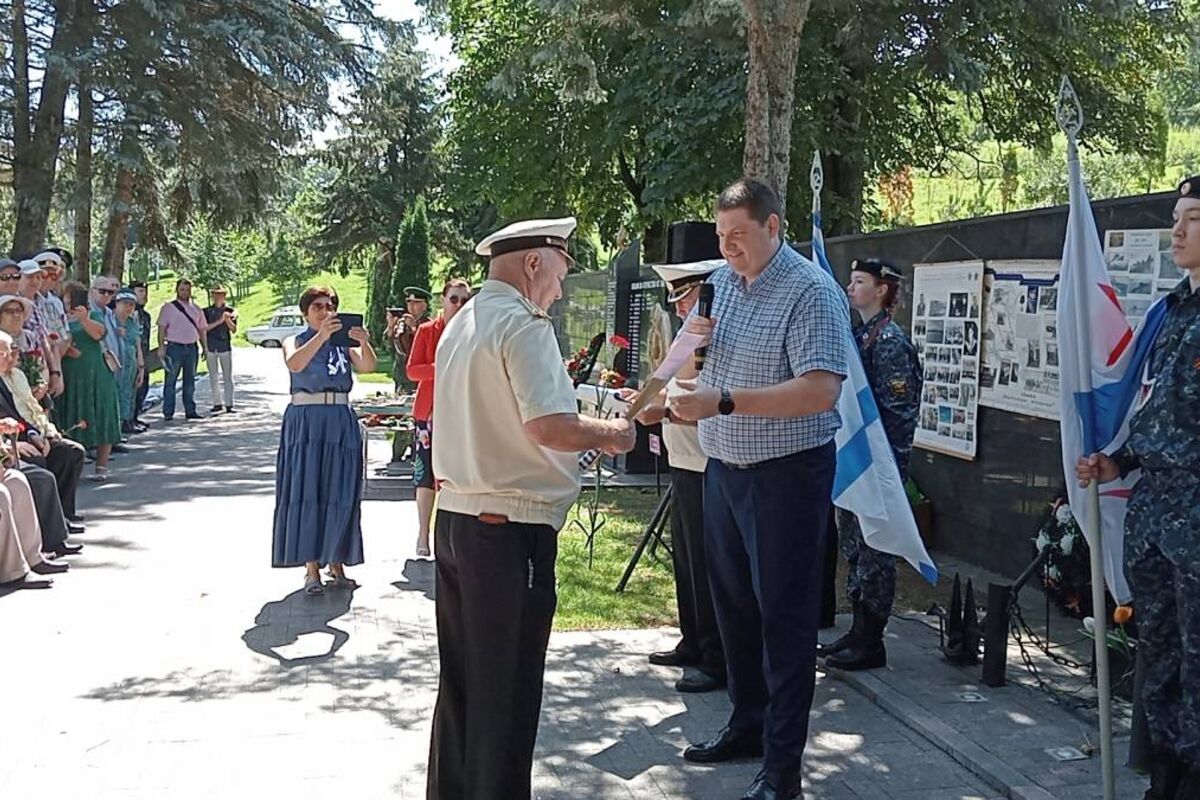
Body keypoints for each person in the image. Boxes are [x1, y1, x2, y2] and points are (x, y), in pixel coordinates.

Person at [427, 217, 636, 800]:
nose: (563, 287)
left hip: (459, 518)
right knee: (506, 695)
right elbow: (549, 425)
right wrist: (611, 434)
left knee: (464, 689)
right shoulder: (523, 324)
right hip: (507, 528)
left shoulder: (460, 321)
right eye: (563, 269)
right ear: (535, 262)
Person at [669, 179, 849, 800]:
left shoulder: (811, 292)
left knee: (785, 622)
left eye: (738, 236)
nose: (728, 248)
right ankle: (746, 724)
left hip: (786, 479)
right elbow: (690, 355)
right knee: (735, 613)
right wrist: (654, 400)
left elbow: (820, 391)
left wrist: (722, 400)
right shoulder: (723, 286)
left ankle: (783, 770)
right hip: (725, 473)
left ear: (774, 227)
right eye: (721, 238)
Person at [1076, 175, 1200, 800]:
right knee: (1163, 654)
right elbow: (1158, 413)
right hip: (1157, 512)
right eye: (1176, 217)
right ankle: (1170, 769)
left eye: (1194, 219)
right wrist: (1118, 463)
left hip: (1196, 516)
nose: (1177, 230)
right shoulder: (1171, 311)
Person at [624, 259, 727, 694]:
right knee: (685, 560)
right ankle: (693, 638)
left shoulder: (715, 341)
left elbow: (705, 402)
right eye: (679, 303)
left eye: (686, 300)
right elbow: (673, 389)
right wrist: (643, 398)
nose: (682, 311)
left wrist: (662, 409)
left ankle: (717, 656)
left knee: (709, 566)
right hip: (683, 460)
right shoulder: (687, 343)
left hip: (709, 462)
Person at [819, 257, 921, 672]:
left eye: (859, 281)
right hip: (854, 462)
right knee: (856, 547)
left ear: (881, 289)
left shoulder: (891, 343)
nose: (849, 286)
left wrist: (887, 471)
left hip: (878, 467)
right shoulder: (859, 337)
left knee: (876, 549)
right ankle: (858, 628)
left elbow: (899, 413)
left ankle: (872, 638)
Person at [272, 286, 376, 595]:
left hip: (339, 418)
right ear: (306, 312)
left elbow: (368, 366)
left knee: (340, 491)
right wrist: (321, 336)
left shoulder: (342, 344)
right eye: (318, 306)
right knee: (308, 490)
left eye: (331, 306)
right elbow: (295, 364)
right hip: (306, 420)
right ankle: (311, 569)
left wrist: (364, 343)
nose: (326, 311)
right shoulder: (296, 340)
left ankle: (337, 562)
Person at [405, 278, 471, 558]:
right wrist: (442, 367)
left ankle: (452, 538)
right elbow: (413, 371)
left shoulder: (473, 331)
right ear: (443, 300)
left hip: (462, 412)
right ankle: (423, 535)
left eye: (464, 300)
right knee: (425, 476)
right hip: (430, 414)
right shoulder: (427, 331)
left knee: (456, 477)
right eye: (454, 299)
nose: (459, 305)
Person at [0, 331, 87, 525]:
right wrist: (11, 443)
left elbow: (27, 411)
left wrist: (38, 434)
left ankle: (63, 515)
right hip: (10, 442)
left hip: (24, 433)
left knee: (71, 452)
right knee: (39, 468)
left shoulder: (16, 376)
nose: (11, 357)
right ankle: (48, 529)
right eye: (4, 353)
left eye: (12, 351)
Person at [55, 282, 123, 482]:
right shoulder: (59, 319)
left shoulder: (93, 315)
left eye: (73, 298)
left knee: (102, 413)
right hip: (71, 374)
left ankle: (101, 465)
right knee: (72, 415)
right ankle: (73, 463)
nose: (69, 303)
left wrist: (83, 318)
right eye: (67, 299)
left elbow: (99, 333)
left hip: (96, 373)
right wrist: (66, 348)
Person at [156, 278, 207, 421]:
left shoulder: (197, 309)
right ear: (177, 290)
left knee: (190, 381)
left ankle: (190, 410)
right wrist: (161, 346)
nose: (185, 292)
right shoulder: (168, 308)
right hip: (174, 347)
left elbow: (202, 330)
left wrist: (205, 348)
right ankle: (168, 412)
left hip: (191, 348)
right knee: (170, 380)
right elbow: (161, 328)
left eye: (188, 289)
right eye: (182, 289)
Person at [388, 286, 430, 395]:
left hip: (418, 377)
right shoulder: (402, 323)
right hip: (401, 376)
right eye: (409, 302)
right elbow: (389, 344)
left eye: (416, 302)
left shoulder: (428, 325)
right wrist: (391, 326)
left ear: (424, 305)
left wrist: (414, 328)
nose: (411, 306)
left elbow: (427, 347)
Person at [113, 289, 145, 433]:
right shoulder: (110, 320)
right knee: (117, 393)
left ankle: (127, 421)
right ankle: (117, 425)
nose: (129, 307)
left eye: (132, 304)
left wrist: (141, 367)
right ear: (117, 303)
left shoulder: (133, 323)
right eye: (125, 303)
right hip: (116, 363)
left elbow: (137, 345)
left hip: (131, 364)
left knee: (130, 393)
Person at [203, 286, 237, 413]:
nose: (218, 297)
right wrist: (219, 321)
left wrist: (227, 319)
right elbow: (204, 328)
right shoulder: (206, 311)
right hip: (211, 346)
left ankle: (229, 404)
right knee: (213, 376)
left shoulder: (230, 311)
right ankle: (217, 403)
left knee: (227, 376)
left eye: (221, 294)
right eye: (215, 294)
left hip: (224, 346)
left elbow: (233, 329)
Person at [129, 281, 152, 430]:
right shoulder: (130, 314)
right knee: (132, 388)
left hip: (144, 354)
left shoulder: (146, 315)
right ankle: (128, 419)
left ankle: (136, 416)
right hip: (132, 356)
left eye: (145, 292)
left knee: (143, 387)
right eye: (140, 291)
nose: (144, 295)